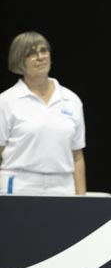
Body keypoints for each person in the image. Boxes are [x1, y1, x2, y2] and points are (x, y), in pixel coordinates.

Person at [0, 31, 87, 195]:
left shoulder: (71, 99)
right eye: (31, 54)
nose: (40, 57)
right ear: (19, 61)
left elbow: (77, 155)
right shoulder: (6, 101)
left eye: (43, 50)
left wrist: (82, 199)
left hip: (63, 187)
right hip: (20, 186)